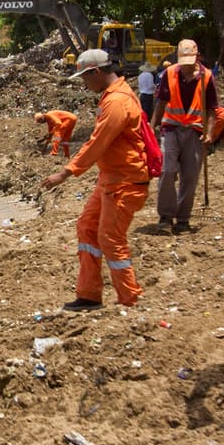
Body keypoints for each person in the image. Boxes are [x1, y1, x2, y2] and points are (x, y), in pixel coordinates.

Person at [40, 49, 149, 311]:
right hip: (110, 178)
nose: (83, 83)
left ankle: (129, 299)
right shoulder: (111, 96)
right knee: (87, 227)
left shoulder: (117, 101)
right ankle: (89, 294)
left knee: (111, 238)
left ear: (96, 72)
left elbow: (98, 142)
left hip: (124, 180)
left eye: (84, 78)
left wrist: (66, 172)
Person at [151, 39, 216, 234]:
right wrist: (151, 126)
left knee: (190, 176)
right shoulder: (170, 74)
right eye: (183, 61)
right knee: (167, 170)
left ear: (197, 57)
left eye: (190, 61)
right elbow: (161, 102)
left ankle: (183, 218)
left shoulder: (207, 77)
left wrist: (210, 133)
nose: (186, 66)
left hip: (195, 132)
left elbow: (212, 109)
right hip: (171, 128)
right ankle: (165, 215)